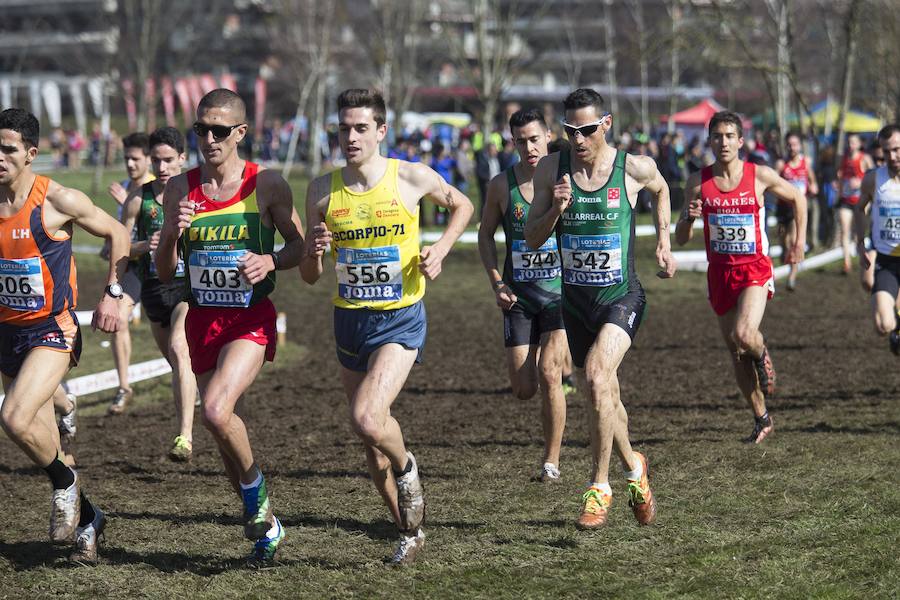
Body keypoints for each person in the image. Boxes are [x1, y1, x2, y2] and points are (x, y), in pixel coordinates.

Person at [301, 88, 473, 565]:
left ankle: (408, 466)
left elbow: (463, 206)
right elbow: (311, 276)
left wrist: (440, 248)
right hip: (348, 321)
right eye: (343, 128)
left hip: (400, 316)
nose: (351, 137)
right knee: (369, 442)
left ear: (381, 131)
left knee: (367, 418)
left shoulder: (412, 177)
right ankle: (408, 530)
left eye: (361, 128)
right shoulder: (320, 190)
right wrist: (314, 252)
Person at [155, 89, 305, 566]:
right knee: (221, 430)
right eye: (201, 129)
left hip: (250, 318)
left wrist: (271, 260)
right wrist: (173, 234)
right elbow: (163, 271)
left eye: (220, 130)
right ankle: (265, 527)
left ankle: (257, 500)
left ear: (240, 133)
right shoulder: (181, 188)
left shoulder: (268, 184)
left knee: (216, 410)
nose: (209, 138)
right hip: (203, 319)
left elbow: (299, 248)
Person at [525, 88, 676, 530]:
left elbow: (662, 187)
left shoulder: (631, 167)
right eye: (571, 131)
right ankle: (636, 470)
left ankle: (599, 487)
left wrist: (663, 242)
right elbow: (533, 238)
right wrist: (555, 208)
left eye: (587, 130)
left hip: (621, 297)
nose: (579, 139)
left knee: (594, 375)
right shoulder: (553, 169)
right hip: (576, 304)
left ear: (605, 125)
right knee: (606, 395)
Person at [0, 107, 130, 564]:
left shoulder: (57, 200)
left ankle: (66, 483)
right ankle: (91, 518)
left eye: (8, 149)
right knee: (42, 445)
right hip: (7, 335)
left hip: (52, 329)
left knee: (13, 418)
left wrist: (113, 293)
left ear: (31, 154)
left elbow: (117, 232)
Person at [676, 111, 806, 444]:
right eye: (717, 136)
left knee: (744, 334)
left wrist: (800, 242)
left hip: (755, 269)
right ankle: (761, 418)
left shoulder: (758, 175)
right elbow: (680, 238)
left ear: (740, 140)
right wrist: (689, 221)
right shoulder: (697, 181)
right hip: (720, 273)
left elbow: (799, 198)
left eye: (729, 136)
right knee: (735, 350)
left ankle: (762, 355)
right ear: (710, 141)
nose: (723, 142)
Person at [477, 108, 568, 483]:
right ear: (512, 143)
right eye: (521, 141)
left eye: (535, 138)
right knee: (524, 389)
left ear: (548, 135)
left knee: (550, 374)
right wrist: (496, 282)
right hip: (518, 298)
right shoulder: (502, 185)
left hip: (560, 295)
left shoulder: (567, 180)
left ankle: (552, 461)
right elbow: (485, 235)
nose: (529, 147)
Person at [120, 126, 196, 461]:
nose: (162, 168)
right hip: (153, 290)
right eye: (157, 160)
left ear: (182, 158)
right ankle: (206, 401)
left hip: (185, 288)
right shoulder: (139, 198)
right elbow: (120, 246)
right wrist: (142, 245)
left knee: (181, 350)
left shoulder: (195, 193)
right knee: (180, 367)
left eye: (168, 160)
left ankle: (185, 437)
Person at [106, 132, 155, 415]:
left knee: (175, 332)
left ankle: (196, 381)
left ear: (148, 159)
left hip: (161, 264)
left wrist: (129, 202)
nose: (130, 164)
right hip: (134, 264)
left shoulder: (159, 187)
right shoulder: (125, 186)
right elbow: (120, 230)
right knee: (118, 320)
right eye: (126, 159)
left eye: (136, 159)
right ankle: (124, 387)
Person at [855, 124, 900, 354]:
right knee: (883, 325)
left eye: (896, 149)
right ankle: (896, 329)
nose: (892, 156)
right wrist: (860, 243)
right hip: (887, 261)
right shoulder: (874, 179)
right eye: (886, 151)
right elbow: (860, 208)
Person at [775, 132, 818, 291]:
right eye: (789, 144)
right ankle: (784, 252)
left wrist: (813, 187)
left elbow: (813, 182)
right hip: (782, 208)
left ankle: (791, 278)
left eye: (795, 144)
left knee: (793, 241)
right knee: (784, 241)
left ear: (799, 146)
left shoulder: (805, 163)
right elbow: (772, 183)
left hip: (797, 208)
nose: (792, 148)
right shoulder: (781, 165)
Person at [836, 134, 874, 273]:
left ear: (859, 144)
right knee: (845, 231)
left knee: (859, 232)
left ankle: (862, 256)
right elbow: (841, 176)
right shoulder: (844, 158)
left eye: (853, 142)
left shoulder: (865, 158)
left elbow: (873, 175)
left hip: (861, 201)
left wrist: (860, 182)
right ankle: (847, 263)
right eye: (848, 142)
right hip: (846, 200)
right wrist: (839, 191)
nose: (850, 145)